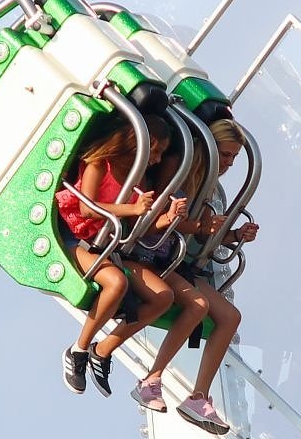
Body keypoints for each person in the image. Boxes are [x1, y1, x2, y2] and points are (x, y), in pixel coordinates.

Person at [56, 117, 212, 414]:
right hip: (76, 237)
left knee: (163, 296)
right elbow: (87, 208)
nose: (157, 160)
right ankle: (78, 349)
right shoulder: (99, 163)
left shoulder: (136, 180)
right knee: (117, 282)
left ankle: (102, 350)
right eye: (156, 151)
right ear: (140, 143)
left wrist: (169, 218)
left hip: (109, 244)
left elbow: (140, 225)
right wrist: (132, 208)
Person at [146, 116, 260, 436]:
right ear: (209, 148)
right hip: (156, 253)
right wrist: (201, 226)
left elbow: (206, 233)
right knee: (198, 304)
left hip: (180, 259)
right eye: (225, 155)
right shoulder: (181, 169)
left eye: (234, 158)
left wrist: (235, 235)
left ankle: (198, 398)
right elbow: (162, 217)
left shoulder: (211, 185)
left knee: (230, 316)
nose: (229, 164)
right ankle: (152, 378)